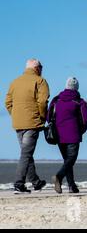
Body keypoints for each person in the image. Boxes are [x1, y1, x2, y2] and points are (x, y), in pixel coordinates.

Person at [5, 59, 49, 194]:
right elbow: (42, 102)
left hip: (18, 123)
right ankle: (19, 183)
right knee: (26, 154)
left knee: (26, 153)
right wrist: (42, 117)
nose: (42, 69)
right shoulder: (40, 81)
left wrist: (16, 115)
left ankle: (36, 182)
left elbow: (8, 102)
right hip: (32, 122)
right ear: (36, 68)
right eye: (41, 67)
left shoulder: (15, 82)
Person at [48, 77, 87, 194]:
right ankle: (59, 177)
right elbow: (85, 118)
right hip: (73, 134)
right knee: (71, 159)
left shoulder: (56, 100)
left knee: (67, 161)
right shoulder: (79, 101)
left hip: (58, 135)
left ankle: (72, 186)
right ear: (76, 88)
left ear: (66, 86)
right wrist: (82, 129)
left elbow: (49, 116)